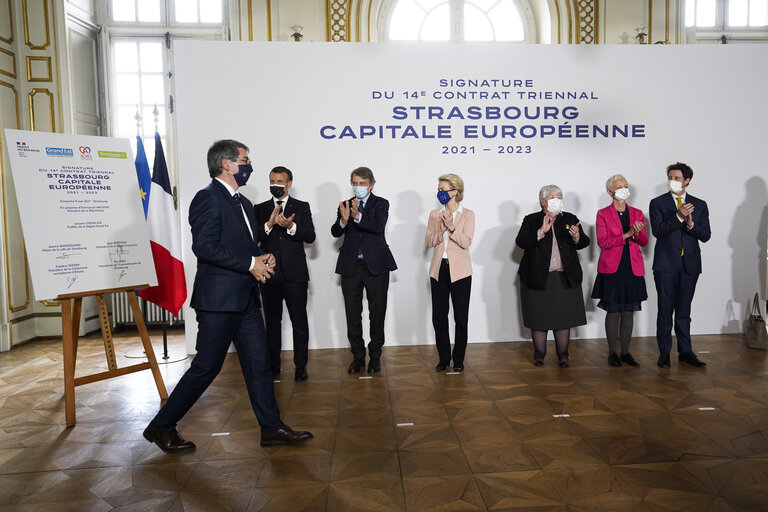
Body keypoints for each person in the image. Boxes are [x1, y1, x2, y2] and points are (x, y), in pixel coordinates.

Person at [143, 140, 312, 453]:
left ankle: (271, 427)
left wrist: (263, 257)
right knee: (206, 367)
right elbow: (204, 248)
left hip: (245, 299)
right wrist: (251, 264)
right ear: (227, 164)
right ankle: (161, 426)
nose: (249, 166)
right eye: (245, 160)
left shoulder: (244, 203)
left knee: (259, 364)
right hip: (219, 301)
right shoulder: (206, 199)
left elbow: (245, 246)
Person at [331, 167, 397, 374]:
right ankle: (358, 356)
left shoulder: (381, 203)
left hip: (376, 265)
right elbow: (335, 231)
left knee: (377, 313)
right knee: (352, 314)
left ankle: (375, 356)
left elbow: (378, 227)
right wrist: (343, 220)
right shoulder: (345, 204)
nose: (357, 187)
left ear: (371, 184)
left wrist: (358, 216)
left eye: (361, 183)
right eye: (354, 183)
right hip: (351, 267)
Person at [516, 185, 590, 367]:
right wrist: (541, 231)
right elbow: (521, 242)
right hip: (537, 278)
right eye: (552, 197)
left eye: (559, 196)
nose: (557, 199)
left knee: (563, 320)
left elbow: (584, 243)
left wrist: (577, 237)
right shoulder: (532, 220)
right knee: (539, 320)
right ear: (542, 201)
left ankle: (563, 355)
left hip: (564, 278)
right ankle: (539, 354)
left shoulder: (570, 218)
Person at [255, 166, 316, 382]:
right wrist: (269, 224)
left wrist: (292, 227)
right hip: (268, 273)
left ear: (289, 183)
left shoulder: (301, 207)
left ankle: (301, 366)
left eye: (279, 181)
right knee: (272, 322)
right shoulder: (260, 208)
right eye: (272, 181)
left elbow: (310, 236)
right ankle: (273, 366)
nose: (275, 185)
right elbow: (253, 237)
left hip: (295, 274)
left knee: (299, 321)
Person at [649, 162, 711, 368]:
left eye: (677, 178)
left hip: (690, 265)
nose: (672, 181)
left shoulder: (700, 204)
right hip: (665, 265)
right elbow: (658, 230)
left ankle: (685, 351)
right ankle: (664, 353)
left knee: (684, 311)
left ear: (687, 181)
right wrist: (678, 216)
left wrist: (691, 223)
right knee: (665, 310)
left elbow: (706, 235)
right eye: (670, 178)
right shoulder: (657, 203)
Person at [591, 174, 648, 367]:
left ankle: (626, 352)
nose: (624, 189)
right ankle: (612, 353)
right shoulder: (602, 214)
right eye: (619, 186)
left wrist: (638, 234)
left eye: (625, 185)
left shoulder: (638, 213)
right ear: (610, 191)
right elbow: (603, 242)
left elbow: (644, 242)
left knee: (629, 312)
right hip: (612, 268)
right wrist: (628, 234)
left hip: (632, 267)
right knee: (614, 311)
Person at [425, 174, 474, 372]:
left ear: (455, 191)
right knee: (439, 316)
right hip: (439, 269)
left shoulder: (468, 214)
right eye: (439, 189)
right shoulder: (434, 214)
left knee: (461, 317)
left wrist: (452, 227)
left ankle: (459, 359)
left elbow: (466, 242)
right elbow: (428, 241)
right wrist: (440, 230)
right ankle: (444, 358)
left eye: (443, 189)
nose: (440, 193)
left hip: (460, 271)